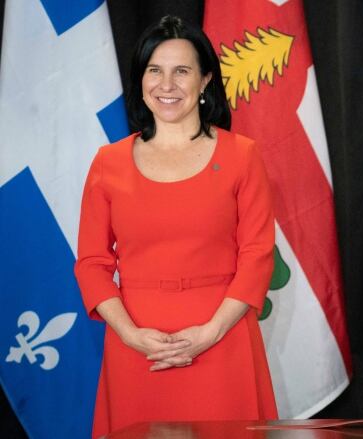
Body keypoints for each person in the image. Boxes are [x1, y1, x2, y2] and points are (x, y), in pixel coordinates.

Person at [74, 16, 276, 437]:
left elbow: (257, 255)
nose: (167, 84)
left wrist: (210, 332)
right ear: (140, 80)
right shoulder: (107, 162)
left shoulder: (242, 155)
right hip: (136, 346)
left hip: (222, 342)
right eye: (155, 70)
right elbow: (92, 263)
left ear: (205, 81)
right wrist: (129, 334)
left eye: (181, 71)